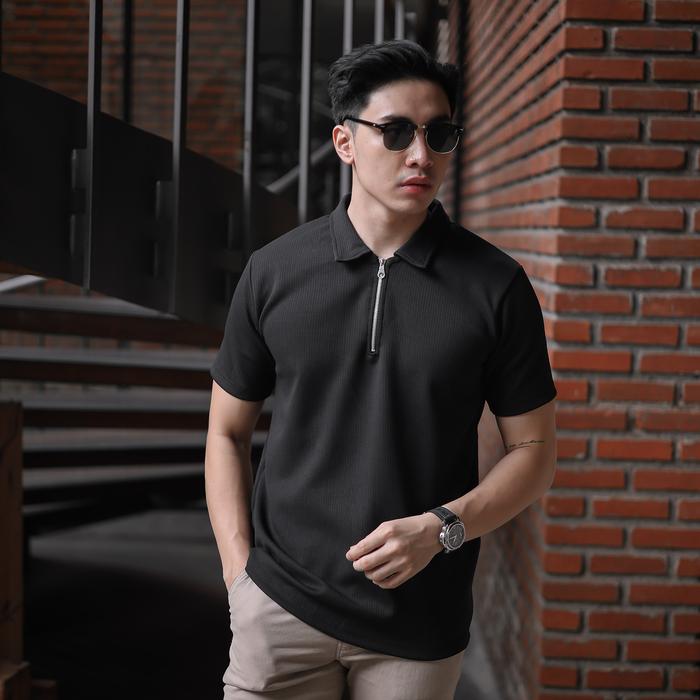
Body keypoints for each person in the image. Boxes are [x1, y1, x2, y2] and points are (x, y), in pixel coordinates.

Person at [205, 38, 557, 700]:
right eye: (395, 132)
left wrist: (441, 529)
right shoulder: (273, 272)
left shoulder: (496, 286)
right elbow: (226, 432)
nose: (421, 155)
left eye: (438, 134)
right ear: (345, 142)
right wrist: (239, 577)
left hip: (418, 623)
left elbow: (534, 453)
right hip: (280, 607)